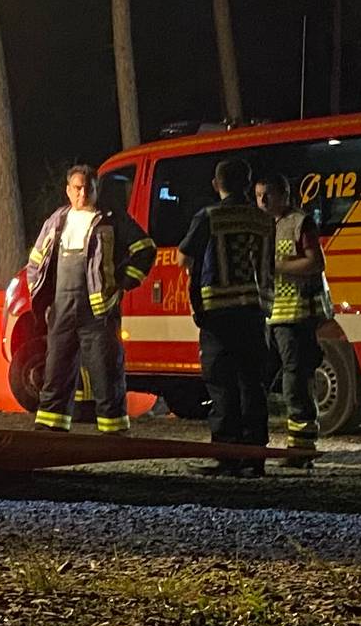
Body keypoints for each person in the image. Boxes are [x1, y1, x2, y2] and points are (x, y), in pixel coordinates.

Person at [22, 165, 157, 434]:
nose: (83, 193)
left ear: (96, 190)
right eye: (77, 187)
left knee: (106, 371)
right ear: (68, 191)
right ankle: (51, 426)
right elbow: (36, 261)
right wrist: (42, 297)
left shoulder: (110, 219)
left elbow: (145, 249)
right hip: (61, 308)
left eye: (88, 187)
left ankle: (113, 429)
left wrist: (122, 283)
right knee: (56, 369)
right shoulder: (57, 221)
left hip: (98, 311)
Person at [180, 158, 277, 476]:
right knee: (252, 383)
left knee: (222, 384)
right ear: (248, 185)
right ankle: (255, 456)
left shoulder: (210, 215)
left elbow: (185, 257)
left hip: (218, 314)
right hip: (254, 312)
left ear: (216, 184)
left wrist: (198, 306)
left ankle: (227, 454)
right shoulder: (263, 220)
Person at [256, 172, 331, 467]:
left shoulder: (300, 222)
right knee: (264, 378)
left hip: (296, 314)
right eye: (258, 195)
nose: (261, 202)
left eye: (267, 195)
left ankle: (300, 449)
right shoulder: (263, 224)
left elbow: (315, 262)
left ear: (283, 194)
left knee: (295, 381)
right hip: (270, 314)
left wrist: (276, 266)